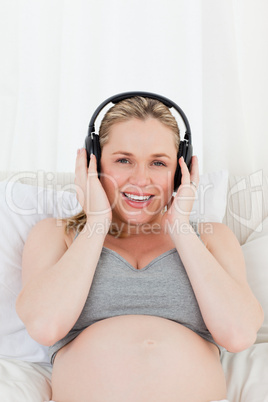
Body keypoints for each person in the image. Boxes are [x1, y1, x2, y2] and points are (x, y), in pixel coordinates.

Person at [16, 96, 263, 402]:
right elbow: (44, 326)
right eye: (124, 160)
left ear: (179, 170)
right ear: (93, 162)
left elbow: (238, 334)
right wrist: (97, 221)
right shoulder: (59, 235)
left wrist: (181, 228)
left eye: (158, 163)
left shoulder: (213, 239)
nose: (141, 179)